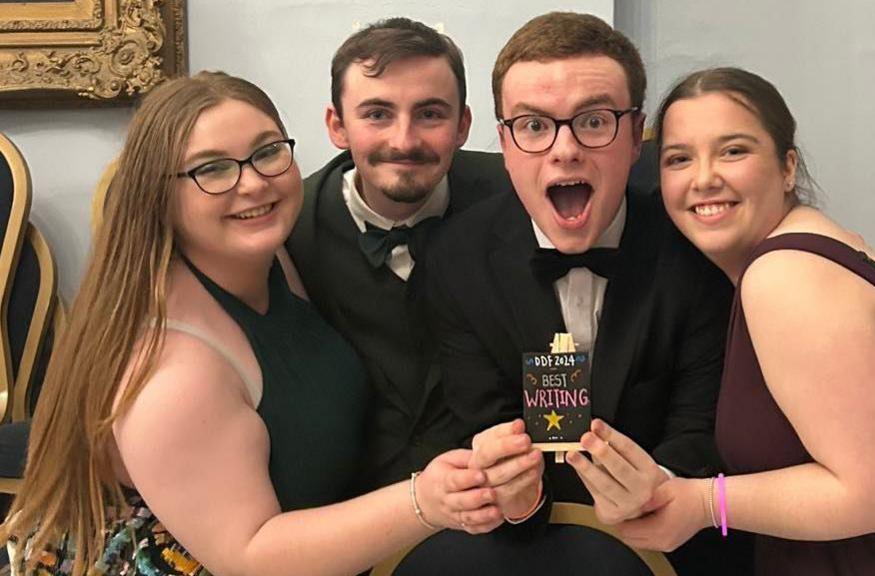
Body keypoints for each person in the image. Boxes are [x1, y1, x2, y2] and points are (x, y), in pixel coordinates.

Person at [3, 72, 504, 576]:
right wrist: (425, 501)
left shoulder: (267, 257)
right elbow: (251, 557)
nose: (253, 182)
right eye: (212, 170)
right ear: (157, 194)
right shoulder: (174, 377)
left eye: (267, 153)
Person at [601, 66, 875, 574]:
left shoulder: (786, 277)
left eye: (734, 150)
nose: (704, 177)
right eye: (678, 158)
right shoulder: (816, 244)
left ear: (787, 167)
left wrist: (702, 504)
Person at [424, 12, 746, 574]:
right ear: (504, 142)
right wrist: (515, 500)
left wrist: (661, 489)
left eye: (595, 121)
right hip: (519, 550)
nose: (565, 150)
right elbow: (481, 419)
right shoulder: (457, 259)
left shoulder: (694, 251)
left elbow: (700, 430)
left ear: (636, 134)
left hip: (676, 547)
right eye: (532, 125)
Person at [286, 17, 512, 491]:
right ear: (337, 125)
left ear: (463, 125)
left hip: (501, 498)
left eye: (430, 114)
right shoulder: (287, 229)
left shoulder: (515, 200)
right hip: (347, 506)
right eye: (377, 114)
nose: (404, 140)